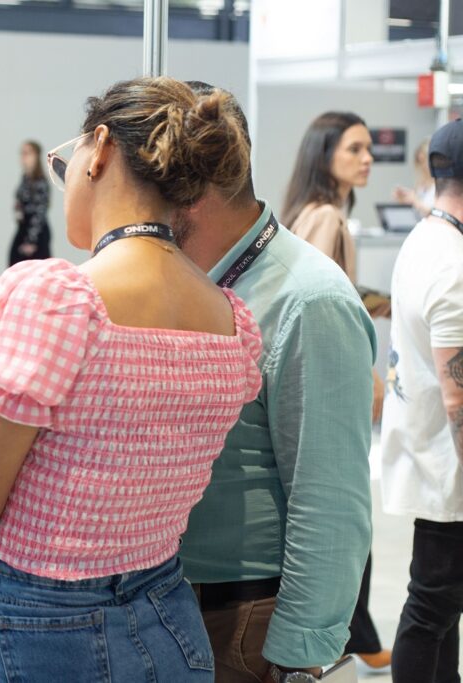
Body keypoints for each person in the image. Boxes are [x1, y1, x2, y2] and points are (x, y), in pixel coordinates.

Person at [0, 76, 263, 682]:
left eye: (71, 157)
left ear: (102, 148)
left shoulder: (62, 301)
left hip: (38, 617)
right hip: (166, 609)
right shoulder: (229, 318)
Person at [176, 84, 376, 683]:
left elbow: (330, 497)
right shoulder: (182, 277)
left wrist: (295, 655)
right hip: (171, 605)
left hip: (243, 618)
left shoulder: (307, 298)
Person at [284, 111, 392, 673]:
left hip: (309, 380)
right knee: (345, 513)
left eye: (368, 148)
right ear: (326, 154)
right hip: (329, 381)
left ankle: (358, 634)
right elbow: (330, 299)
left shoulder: (306, 213)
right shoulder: (326, 216)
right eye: (354, 148)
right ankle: (353, 635)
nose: (366, 157)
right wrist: (371, 379)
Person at [381, 119, 463, 683]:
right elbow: (457, 393)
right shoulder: (453, 261)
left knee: (440, 612)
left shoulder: (427, 239)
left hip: (427, 453)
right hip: (447, 467)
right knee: (431, 609)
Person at [9, 139, 52, 265]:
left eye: (27, 153)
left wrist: (31, 241)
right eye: (22, 153)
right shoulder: (25, 179)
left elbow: (39, 213)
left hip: (35, 232)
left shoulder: (40, 182)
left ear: (36, 156)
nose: (23, 157)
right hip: (23, 228)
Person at [393, 137, 435, 218]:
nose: (422, 166)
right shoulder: (421, 184)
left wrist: (415, 200)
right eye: (420, 162)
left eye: (424, 161)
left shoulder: (442, 184)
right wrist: (405, 198)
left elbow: (437, 214)